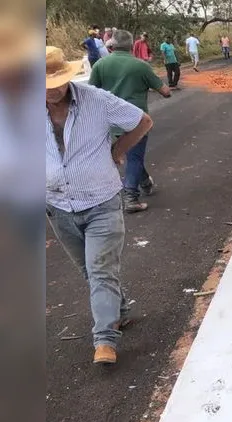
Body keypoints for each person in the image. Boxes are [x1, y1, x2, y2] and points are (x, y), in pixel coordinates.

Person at [46, 46, 154, 365]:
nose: (53, 90)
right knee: (89, 271)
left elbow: (142, 121)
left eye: (58, 82)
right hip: (57, 206)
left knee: (100, 269)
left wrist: (117, 150)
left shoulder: (95, 99)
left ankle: (105, 339)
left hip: (101, 201)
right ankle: (119, 310)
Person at [89, 30, 171, 213]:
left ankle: (144, 183)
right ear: (131, 45)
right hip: (135, 122)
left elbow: (90, 94)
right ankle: (131, 197)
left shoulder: (100, 65)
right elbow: (166, 92)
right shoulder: (140, 66)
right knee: (134, 157)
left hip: (108, 123)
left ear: (112, 45)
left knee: (131, 156)